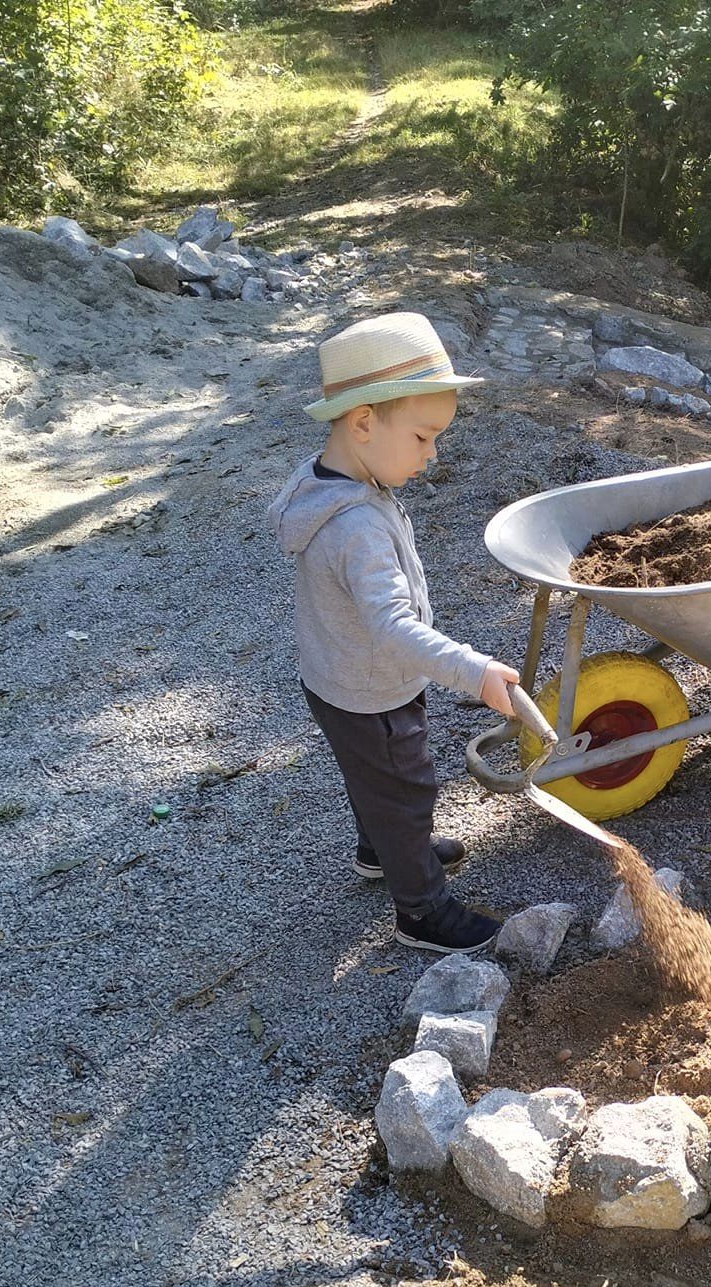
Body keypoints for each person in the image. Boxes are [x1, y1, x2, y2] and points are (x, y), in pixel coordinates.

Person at [272, 312, 519, 953]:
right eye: (422, 435)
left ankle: (379, 849)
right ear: (362, 424)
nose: (432, 454)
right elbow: (392, 627)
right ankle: (422, 909)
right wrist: (474, 670)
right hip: (370, 686)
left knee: (371, 777)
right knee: (406, 789)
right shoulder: (355, 527)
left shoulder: (326, 482)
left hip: (334, 678)